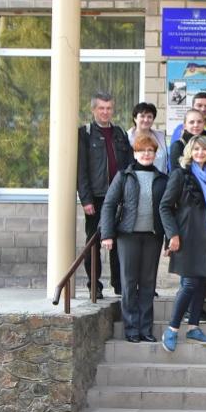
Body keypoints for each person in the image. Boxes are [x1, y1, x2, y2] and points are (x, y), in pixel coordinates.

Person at [99, 132, 167, 342]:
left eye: (150, 150)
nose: (146, 154)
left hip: (153, 236)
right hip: (127, 236)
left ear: (155, 154)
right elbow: (109, 205)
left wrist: (170, 238)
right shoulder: (124, 176)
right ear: (135, 153)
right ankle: (131, 329)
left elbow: (168, 210)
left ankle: (145, 329)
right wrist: (107, 234)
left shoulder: (162, 179)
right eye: (142, 150)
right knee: (129, 282)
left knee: (148, 283)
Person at [159, 135, 206, 352]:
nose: (200, 153)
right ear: (190, 152)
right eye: (196, 150)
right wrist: (172, 235)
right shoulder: (180, 175)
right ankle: (172, 329)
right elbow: (165, 207)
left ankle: (193, 327)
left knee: (202, 283)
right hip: (186, 237)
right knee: (190, 284)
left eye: (204, 150)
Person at [77, 91, 133, 297]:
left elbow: (129, 165)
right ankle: (94, 285)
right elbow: (81, 170)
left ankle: (119, 284)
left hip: (119, 196)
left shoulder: (120, 133)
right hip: (97, 197)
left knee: (119, 241)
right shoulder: (85, 133)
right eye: (101, 108)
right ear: (93, 109)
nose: (105, 112)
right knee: (94, 241)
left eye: (109, 108)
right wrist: (86, 199)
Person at [127, 102, 167, 173]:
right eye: (142, 116)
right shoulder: (127, 138)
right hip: (135, 178)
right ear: (135, 118)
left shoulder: (161, 137)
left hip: (160, 178)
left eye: (149, 117)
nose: (146, 120)